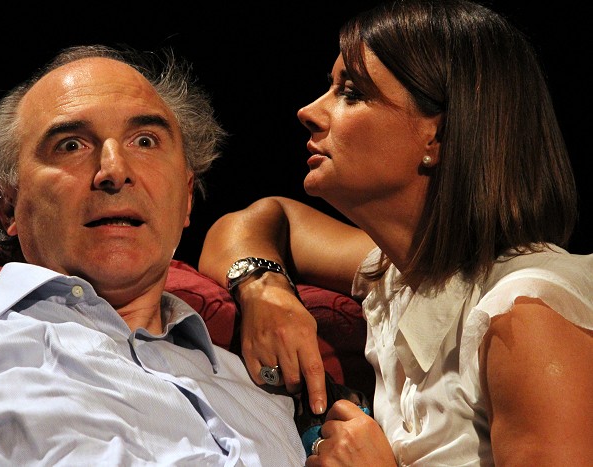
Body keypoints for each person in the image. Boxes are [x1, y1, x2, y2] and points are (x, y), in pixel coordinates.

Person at [198, 0, 593, 465]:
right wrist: (264, 289)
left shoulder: (527, 313)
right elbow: (258, 220)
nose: (309, 111)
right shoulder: (403, 273)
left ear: (436, 136)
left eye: (351, 93)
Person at [0, 44, 307, 465]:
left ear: (186, 196)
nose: (114, 170)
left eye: (145, 141)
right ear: (7, 205)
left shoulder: (267, 392)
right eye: (71, 145)